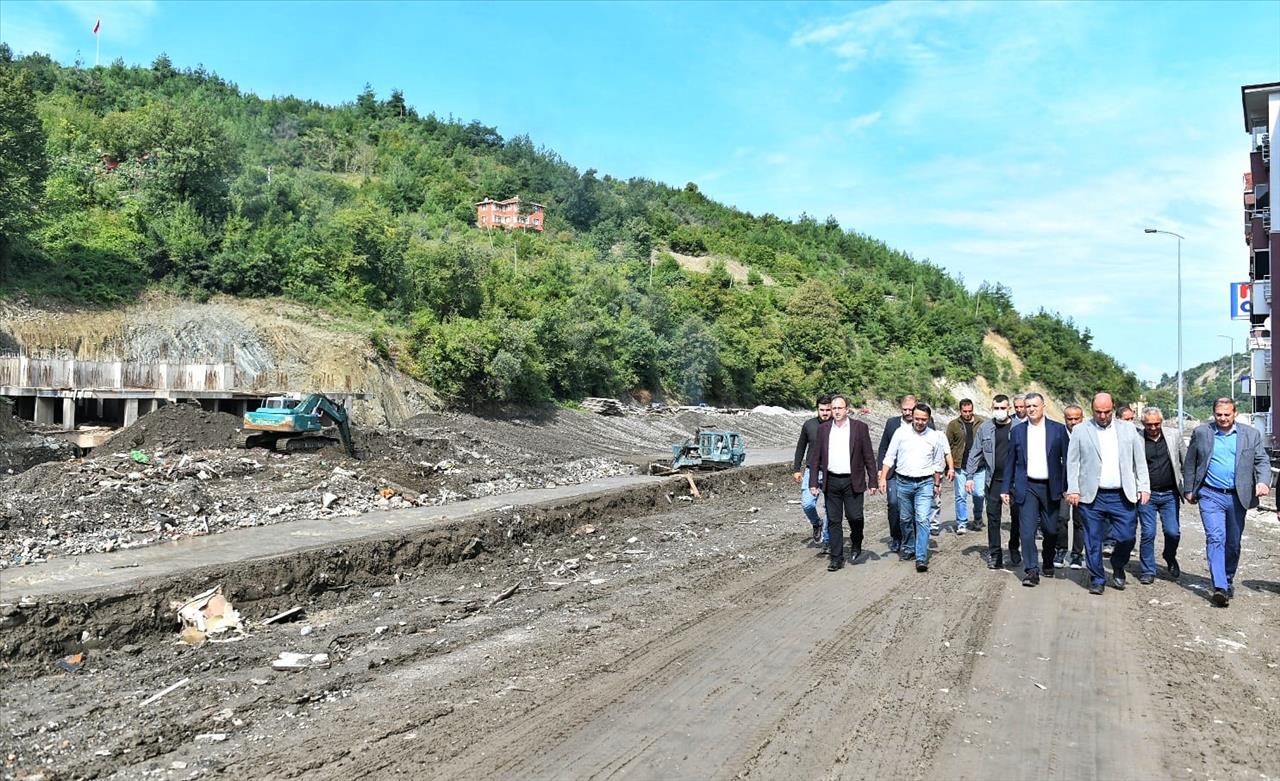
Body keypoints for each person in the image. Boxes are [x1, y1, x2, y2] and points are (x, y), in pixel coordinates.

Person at [1182, 397, 1271, 607]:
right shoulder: (1202, 433)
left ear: (1235, 413)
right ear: (1214, 414)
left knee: (1233, 543)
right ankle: (1219, 586)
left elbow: (1262, 461)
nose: (1223, 418)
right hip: (1210, 494)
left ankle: (1228, 578)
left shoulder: (1250, 435)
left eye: (1227, 414)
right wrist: (1188, 489)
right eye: (1219, 414)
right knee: (1215, 537)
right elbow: (1190, 462)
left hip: (1237, 496)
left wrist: (1263, 482)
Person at [1065, 393, 1149, 595]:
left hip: (1122, 495)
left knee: (1127, 537)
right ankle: (1097, 578)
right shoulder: (1080, 431)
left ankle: (1118, 564)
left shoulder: (1129, 430)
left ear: (1113, 409)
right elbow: (1073, 462)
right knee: (1092, 539)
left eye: (1107, 412)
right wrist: (1073, 489)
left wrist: (1143, 486)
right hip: (1092, 496)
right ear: (1091, 410)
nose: (1102, 416)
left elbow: (1140, 461)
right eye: (1098, 412)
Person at [1001, 392, 1069, 587]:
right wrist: (1005, 488)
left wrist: (1068, 487)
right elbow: (1010, 462)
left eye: (1034, 406)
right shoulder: (1018, 432)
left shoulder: (1058, 430)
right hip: (1027, 486)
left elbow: (1068, 462)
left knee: (1050, 530)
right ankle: (1031, 570)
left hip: (1050, 487)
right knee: (1027, 532)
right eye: (1027, 406)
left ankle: (1048, 558)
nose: (1031, 409)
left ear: (1043, 407)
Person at [809, 394, 880, 571]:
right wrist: (813, 483)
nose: (837, 411)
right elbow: (815, 457)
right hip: (831, 481)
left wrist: (873, 481)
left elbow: (869, 456)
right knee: (833, 520)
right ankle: (836, 557)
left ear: (847, 409)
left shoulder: (859, 428)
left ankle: (856, 543)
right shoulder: (824, 429)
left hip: (852, 480)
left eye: (840, 408)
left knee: (855, 517)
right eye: (834, 408)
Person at [879, 402, 948, 573]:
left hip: (925, 483)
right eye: (917, 418)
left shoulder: (934, 437)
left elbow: (938, 463)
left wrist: (937, 484)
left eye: (923, 419)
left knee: (923, 519)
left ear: (929, 419)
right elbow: (890, 456)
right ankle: (909, 547)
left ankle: (921, 556)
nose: (919, 422)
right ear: (912, 417)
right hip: (903, 481)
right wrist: (882, 478)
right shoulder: (900, 433)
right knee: (905, 518)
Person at [966, 394, 1021, 570]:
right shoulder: (985, 428)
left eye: (1002, 408)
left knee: (1017, 517)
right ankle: (995, 554)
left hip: (1015, 481)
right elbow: (975, 452)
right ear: (992, 408)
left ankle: (1014, 547)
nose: (999, 411)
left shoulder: (1020, 427)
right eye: (996, 408)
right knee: (993, 518)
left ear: (1009, 409)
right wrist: (969, 477)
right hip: (994, 481)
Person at [877, 395, 936, 553]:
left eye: (911, 409)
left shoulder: (927, 423)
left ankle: (914, 539)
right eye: (905, 409)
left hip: (919, 473)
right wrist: (881, 471)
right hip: (894, 473)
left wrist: (937, 478)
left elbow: (934, 450)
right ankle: (896, 537)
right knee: (894, 504)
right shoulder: (892, 424)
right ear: (900, 409)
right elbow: (884, 447)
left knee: (917, 510)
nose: (908, 412)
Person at [1138, 407, 1185, 584]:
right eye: (1149, 424)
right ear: (1143, 423)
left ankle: (1169, 555)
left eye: (1156, 423)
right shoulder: (1137, 439)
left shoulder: (1173, 436)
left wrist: (1188, 488)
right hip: (1146, 495)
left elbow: (1185, 461)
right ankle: (1148, 570)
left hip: (1170, 494)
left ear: (1162, 422)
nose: (1153, 427)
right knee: (1148, 532)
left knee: (1173, 532)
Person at [793, 395, 832, 548]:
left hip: (831, 472)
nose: (825, 413)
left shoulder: (837, 426)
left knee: (831, 508)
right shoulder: (809, 425)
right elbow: (801, 447)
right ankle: (817, 523)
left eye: (828, 410)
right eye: (822, 410)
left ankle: (828, 540)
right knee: (807, 504)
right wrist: (796, 469)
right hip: (812, 471)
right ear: (817, 409)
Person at [946, 399, 985, 535]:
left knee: (979, 494)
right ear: (960, 411)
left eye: (970, 411)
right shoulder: (953, 425)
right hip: (960, 466)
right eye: (965, 411)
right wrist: (948, 467)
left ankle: (978, 517)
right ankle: (961, 523)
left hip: (979, 466)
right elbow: (948, 447)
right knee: (961, 495)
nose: (967, 414)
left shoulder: (982, 423)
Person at [1055, 405, 1087, 569]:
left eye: (1077, 419)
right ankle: (1060, 550)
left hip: (1083, 486)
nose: (1073, 422)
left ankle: (1076, 554)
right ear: (1065, 419)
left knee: (1079, 521)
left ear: (1082, 418)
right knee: (1061, 518)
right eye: (1070, 419)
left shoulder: (1088, 434)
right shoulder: (1058, 435)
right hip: (1063, 486)